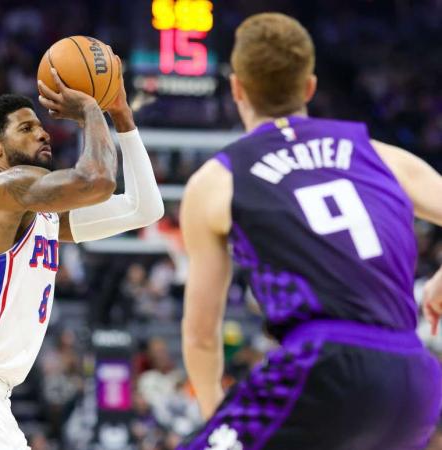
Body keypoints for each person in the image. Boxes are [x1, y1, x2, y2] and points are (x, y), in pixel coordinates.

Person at [179, 13, 442, 450]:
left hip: (324, 364)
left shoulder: (217, 180)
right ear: (309, 87)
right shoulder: (380, 155)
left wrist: (215, 416)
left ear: (237, 89)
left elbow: (201, 335)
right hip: (414, 373)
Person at [0, 60, 164, 449]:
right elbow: (99, 180)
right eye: (26, 129)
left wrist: (123, 115)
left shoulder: (45, 215)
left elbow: (144, 209)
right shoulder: (2, 191)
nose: (42, 134)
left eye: (42, 128)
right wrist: (93, 109)